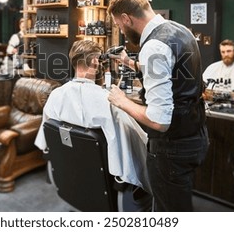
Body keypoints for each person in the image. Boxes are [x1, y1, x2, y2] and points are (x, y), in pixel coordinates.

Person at [106, 0, 209, 212]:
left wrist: (122, 100)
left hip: (172, 147)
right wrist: (128, 62)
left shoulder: (153, 46)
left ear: (126, 18)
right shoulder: (181, 30)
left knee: (169, 211)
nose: (121, 31)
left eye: (119, 25)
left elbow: (159, 120)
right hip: (195, 135)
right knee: (179, 202)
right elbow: (171, 72)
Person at [34, 39, 151, 199]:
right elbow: (136, 143)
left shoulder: (55, 96)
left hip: (72, 176)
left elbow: (45, 141)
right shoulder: (108, 102)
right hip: (104, 181)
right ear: (96, 62)